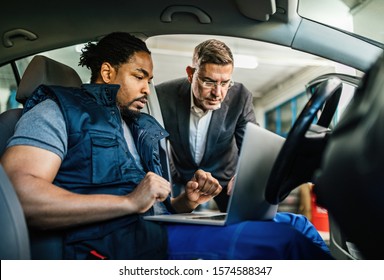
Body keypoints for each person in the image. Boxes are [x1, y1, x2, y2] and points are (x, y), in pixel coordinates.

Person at [1, 32, 331, 260]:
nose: (148, 87)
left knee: (298, 224)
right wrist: (129, 202)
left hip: (156, 229)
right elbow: (19, 196)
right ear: (107, 71)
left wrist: (183, 202)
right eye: (139, 76)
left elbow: (152, 206)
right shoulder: (56, 110)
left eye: (150, 78)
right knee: (286, 243)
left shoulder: (138, 125)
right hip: (116, 246)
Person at [156, 39, 256, 211]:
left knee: (239, 223)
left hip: (226, 179)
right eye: (209, 82)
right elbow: (154, 145)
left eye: (225, 83)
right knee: (175, 224)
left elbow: (252, 145)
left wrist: (245, 174)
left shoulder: (240, 97)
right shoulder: (163, 96)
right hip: (183, 177)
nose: (218, 93)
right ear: (190, 74)